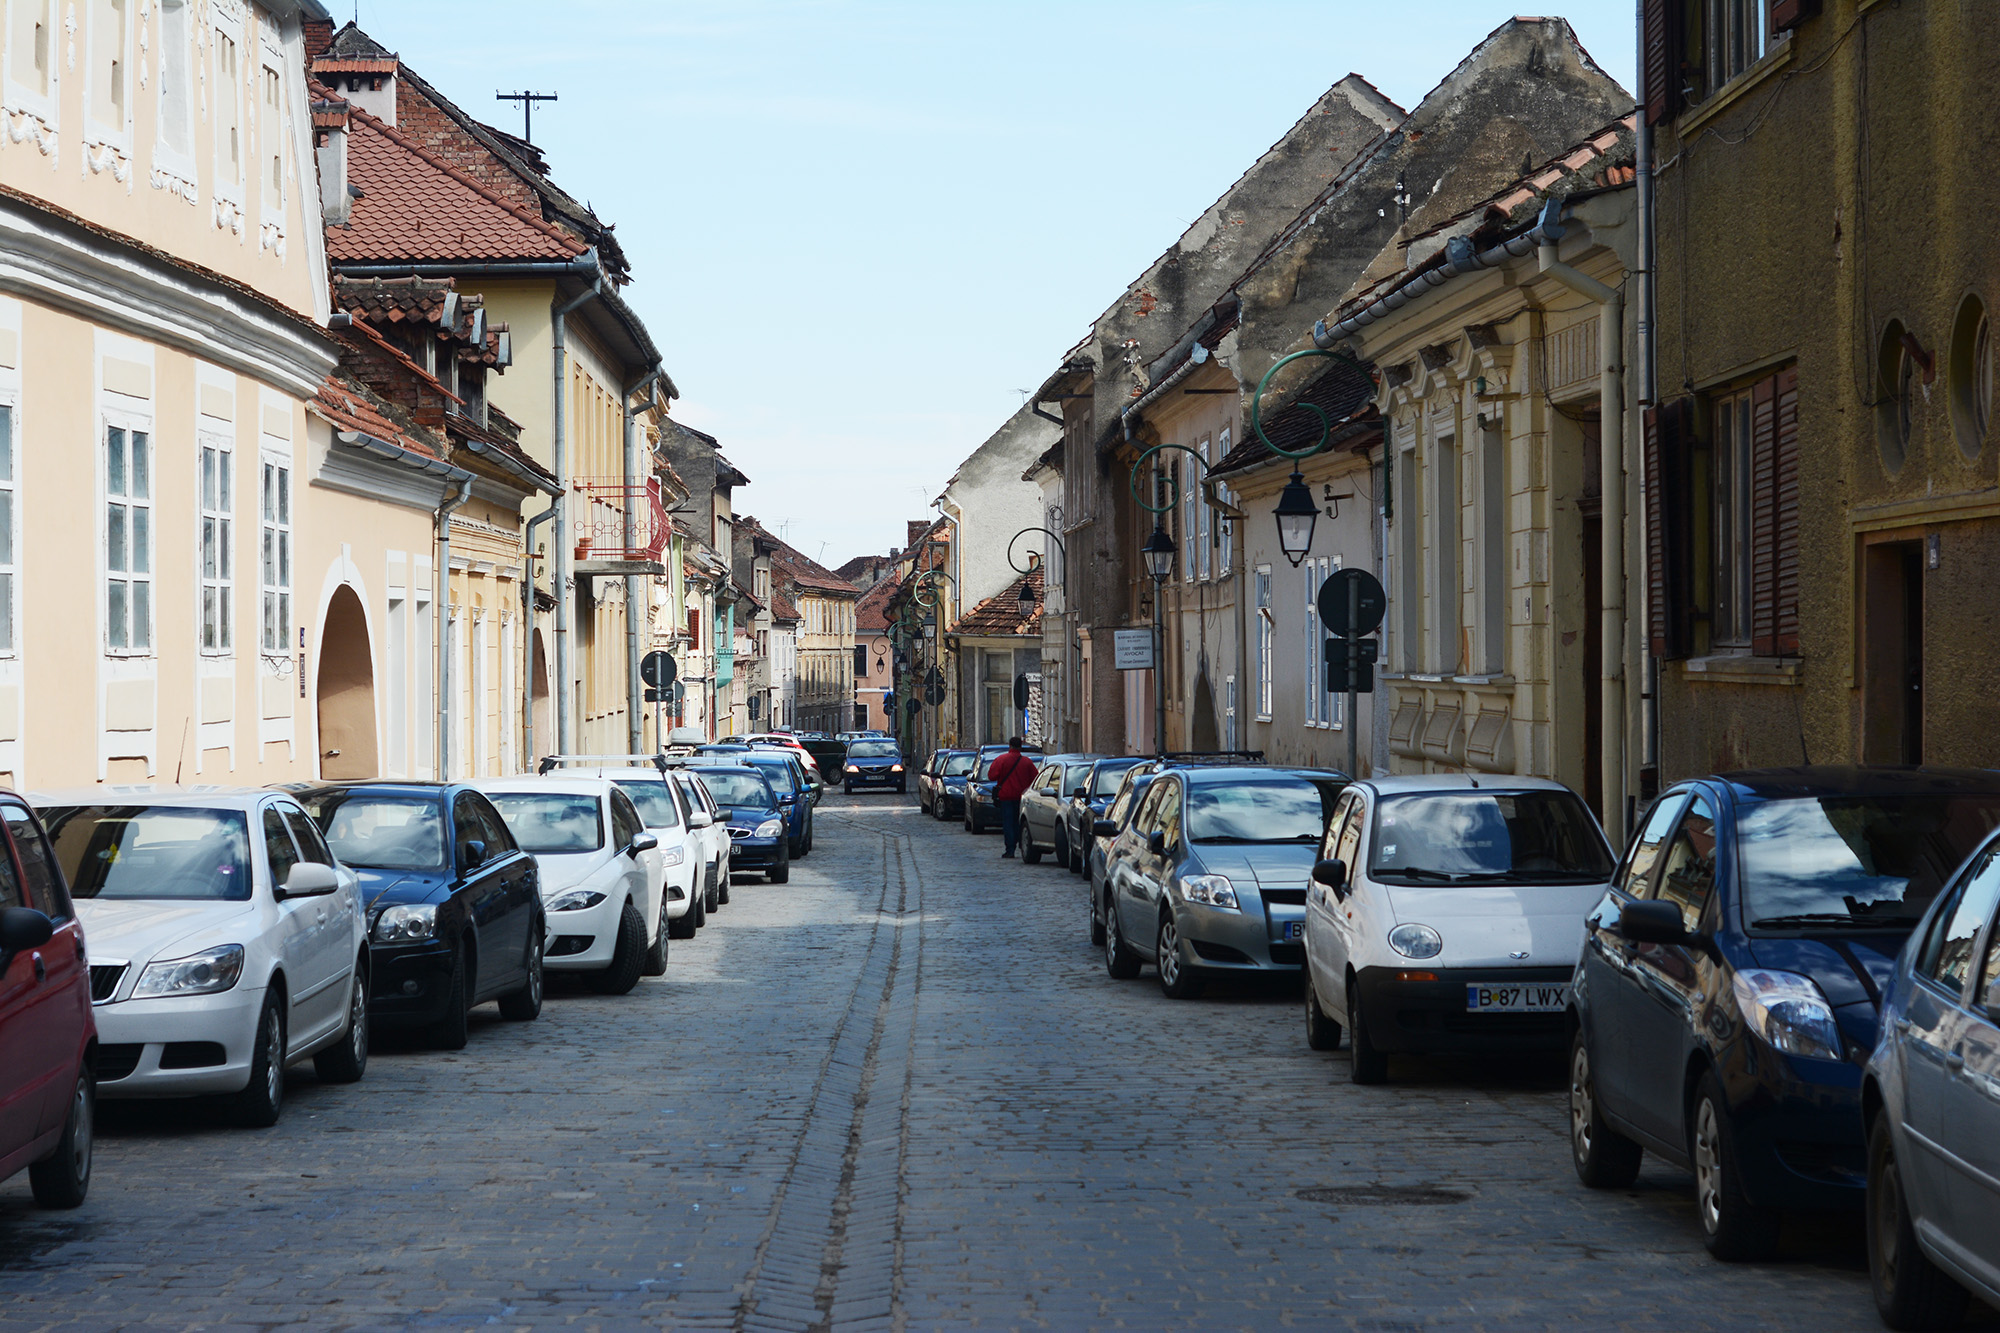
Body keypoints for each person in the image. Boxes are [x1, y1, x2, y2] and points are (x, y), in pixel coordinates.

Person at [989, 736, 1037, 859]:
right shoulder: (1027, 762)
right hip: (1022, 797)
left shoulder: (1001, 759)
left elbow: (991, 776)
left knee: (1008, 823)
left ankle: (1010, 849)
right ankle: (1022, 844)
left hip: (1006, 796)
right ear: (1020, 746)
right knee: (1020, 822)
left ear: (1009, 746)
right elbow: (1035, 779)